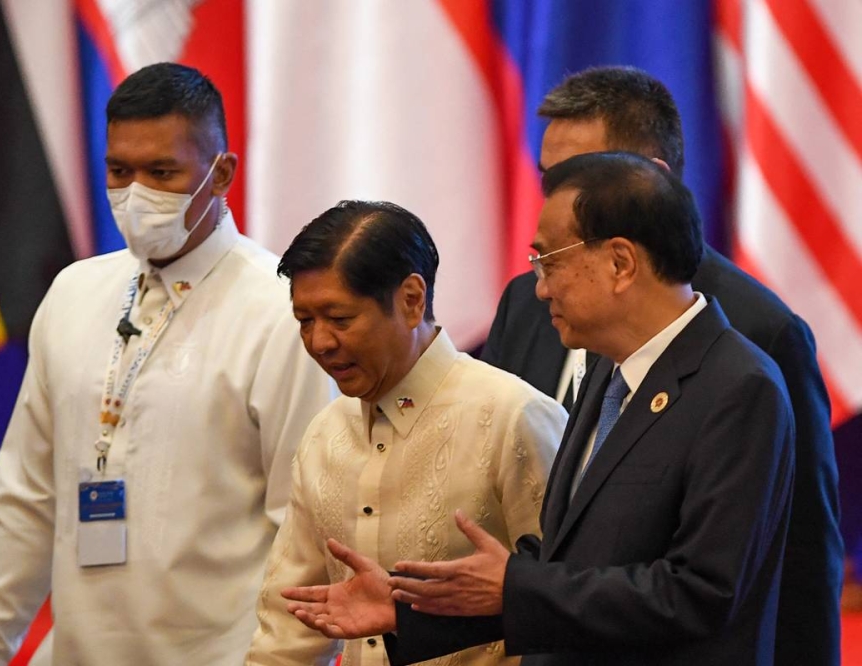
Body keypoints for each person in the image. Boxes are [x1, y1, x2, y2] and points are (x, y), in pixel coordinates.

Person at [283, 153, 796, 665]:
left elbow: (698, 594)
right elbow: (565, 564)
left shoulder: (739, 387)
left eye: (550, 262)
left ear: (620, 263)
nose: (540, 287)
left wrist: (514, 586)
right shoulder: (606, 373)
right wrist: (412, 614)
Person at [0, 63, 335, 665]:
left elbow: (306, 532)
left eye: (161, 172)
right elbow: (25, 496)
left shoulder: (283, 309)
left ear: (221, 173)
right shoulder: (74, 293)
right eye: (119, 171)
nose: (135, 194)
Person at [479, 66, 841, 664]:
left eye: (577, 179)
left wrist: (519, 589)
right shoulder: (532, 306)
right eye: (548, 179)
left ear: (649, 183)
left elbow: (793, 560)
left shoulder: (758, 341)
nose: (551, 204)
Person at [244, 200, 566, 666]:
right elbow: (290, 622)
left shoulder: (513, 416)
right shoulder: (324, 434)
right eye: (304, 321)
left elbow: (564, 605)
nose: (319, 343)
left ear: (412, 300)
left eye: (339, 319)